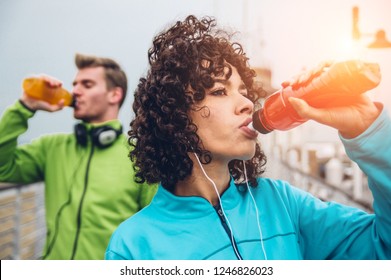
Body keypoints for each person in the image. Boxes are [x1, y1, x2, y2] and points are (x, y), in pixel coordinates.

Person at [105, 15, 391, 260]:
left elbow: (383, 247)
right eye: (219, 91)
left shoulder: (283, 204)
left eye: (244, 90)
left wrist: (369, 130)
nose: (245, 103)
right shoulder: (134, 245)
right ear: (174, 115)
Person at [0, 53, 157, 260]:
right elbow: (3, 167)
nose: (75, 91)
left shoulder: (139, 157)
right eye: (75, 84)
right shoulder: (51, 147)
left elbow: (153, 231)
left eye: (87, 84)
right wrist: (25, 106)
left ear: (114, 95)